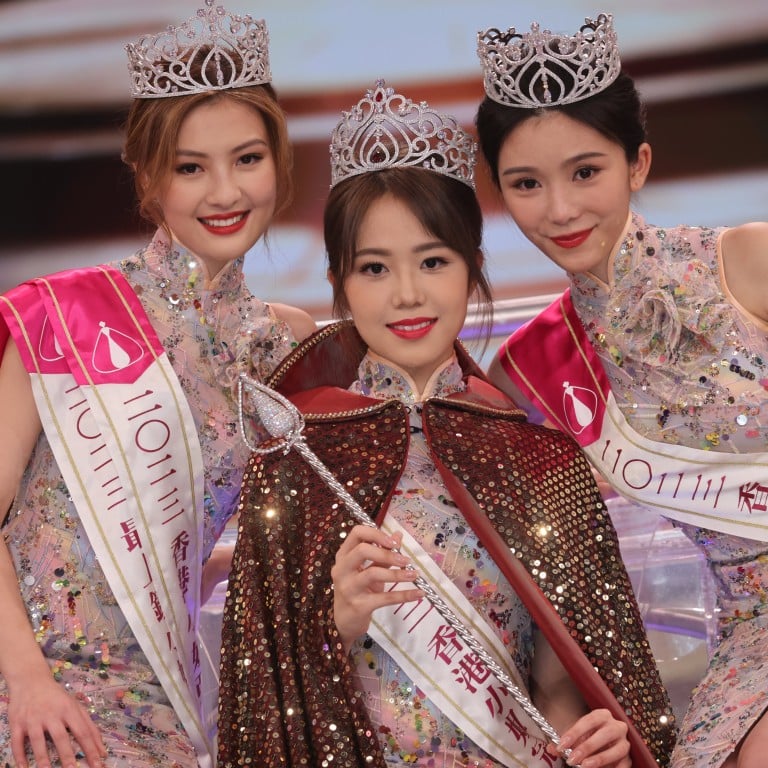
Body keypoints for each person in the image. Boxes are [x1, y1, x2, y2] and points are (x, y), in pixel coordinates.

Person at [216, 79, 675, 768]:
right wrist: (337, 623)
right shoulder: (296, 455)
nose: (408, 294)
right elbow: (257, 698)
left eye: (433, 261)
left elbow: (560, 686)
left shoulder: (539, 458)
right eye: (375, 268)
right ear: (340, 283)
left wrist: (594, 737)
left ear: (472, 269)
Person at [0, 3, 315, 767]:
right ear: (147, 176)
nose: (224, 192)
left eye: (247, 159)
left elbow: (187, 546)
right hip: (32, 694)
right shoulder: (62, 313)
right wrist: (28, 681)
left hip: (164, 695)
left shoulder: (286, 345)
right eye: (189, 167)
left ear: (278, 162)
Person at [474, 11, 768, 768]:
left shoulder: (748, 262)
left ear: (637, 164)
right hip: (751, 634)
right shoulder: (529, 370)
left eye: (585, 172)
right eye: (527, 184)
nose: (560, 209)